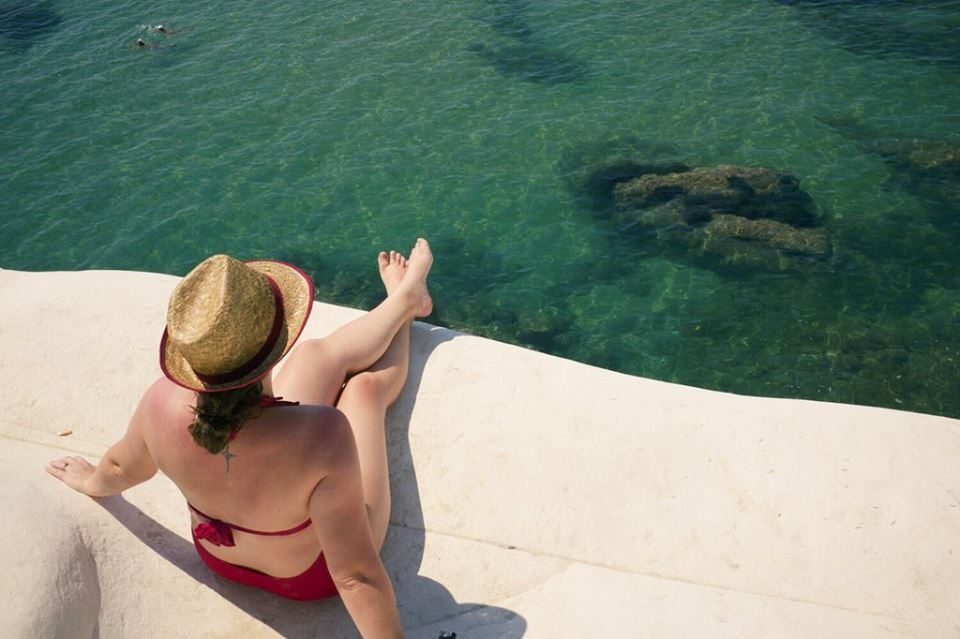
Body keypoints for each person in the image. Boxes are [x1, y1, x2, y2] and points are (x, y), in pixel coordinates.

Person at [46, 238, 435, 638]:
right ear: (276, 342)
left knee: (315, 356)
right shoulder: (322, 434)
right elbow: (355, 577)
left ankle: (404, 300)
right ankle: (406, 309)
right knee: (363, 391)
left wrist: (90, 481)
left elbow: (118, 468)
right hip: (309, 578)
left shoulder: (159, 404)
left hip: (221, 560)